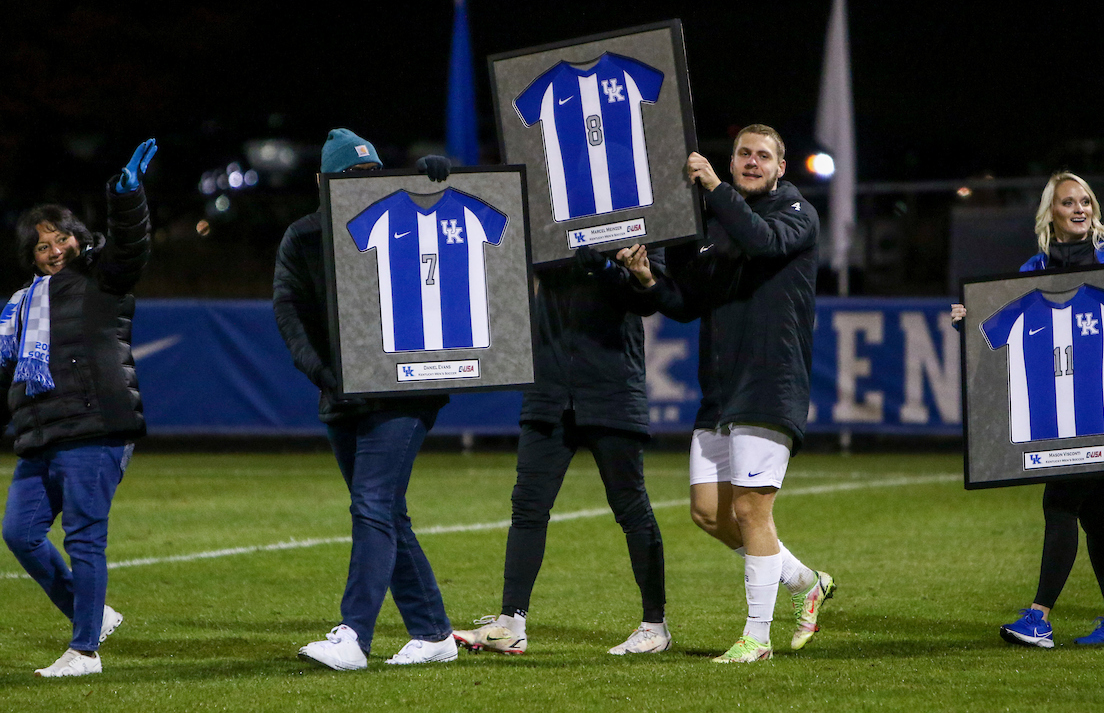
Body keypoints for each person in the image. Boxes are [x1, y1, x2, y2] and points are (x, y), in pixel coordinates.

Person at [616, 124, 833, 663]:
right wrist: (647, 279)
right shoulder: (716, 225)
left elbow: (764, 241)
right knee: (709, 513)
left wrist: (714, 186)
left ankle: (756, 639)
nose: (752, 162)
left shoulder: (796, 213)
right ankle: (806, 582)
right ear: (732, 160)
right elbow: (687, 302)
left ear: (781, 167)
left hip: (769, 381)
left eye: (764, 156)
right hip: (720, 388)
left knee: (753, 513)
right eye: (743, 154)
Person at [950, 170, 1104, 647]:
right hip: (1053, 419)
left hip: (1098, 415)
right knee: (1095, 514)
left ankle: (1039, 617)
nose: (1080, 209)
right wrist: (967, 323)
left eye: (1086, 202)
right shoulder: (1032, 269)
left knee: (1058, 504)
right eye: (1069, 202)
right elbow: (993, 341)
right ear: (1050, 212)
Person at [274, 128, 458, 669]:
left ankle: (354, 634)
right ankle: (433, 633)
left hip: (404, 390)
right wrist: (325, 375)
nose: (360, 183)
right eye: (348, 175)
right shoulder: (304, 236)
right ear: (321, 181)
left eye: (369, 173)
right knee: (388, 513)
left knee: (372, 504)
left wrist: (442, 182)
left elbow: (461, 240)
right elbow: (288, 312)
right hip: (343, 394)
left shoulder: (405, 219)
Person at [451, 246, 671, 655]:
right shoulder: (546, 213)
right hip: (549, 387)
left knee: (630, 506)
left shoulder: (639, 215)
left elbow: (650, 296)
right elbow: (513, 250)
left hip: (610, 388)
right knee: (528, 505)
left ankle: (654, 624)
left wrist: (607, 267)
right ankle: (511, 622)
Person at [1, 138, 156, 677]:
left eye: (61, 237)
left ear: (77, 237)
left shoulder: (99, 277)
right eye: (43, 246)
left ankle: (84, 651)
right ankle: (91, 615)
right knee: (19, 532)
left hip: (94, 426)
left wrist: (127, 195)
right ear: (31, 256)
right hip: (41, 434)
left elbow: (131, 246)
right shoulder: (19, 304)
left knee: (85, 537)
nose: (55, 250)